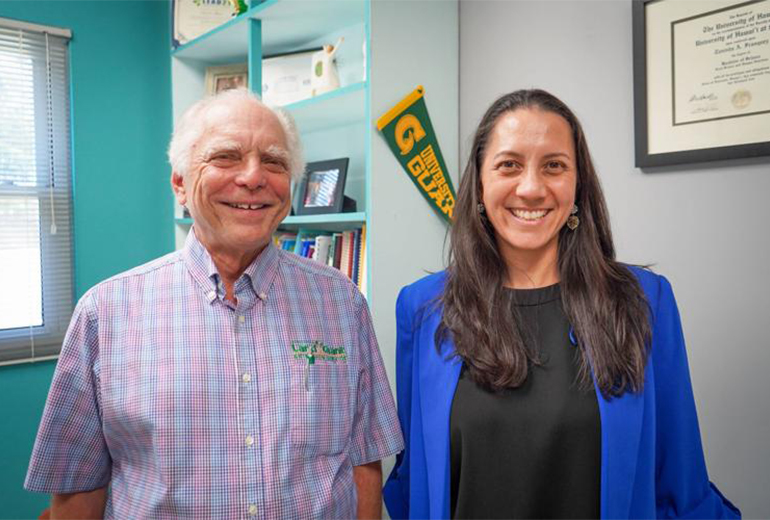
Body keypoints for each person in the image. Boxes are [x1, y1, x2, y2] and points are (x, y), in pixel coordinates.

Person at [25, 88, 403, 519]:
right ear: (180, 184)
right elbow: (77, 486)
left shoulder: (341, 302)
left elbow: (364, 461)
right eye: (226, 157)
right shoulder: (105, 313)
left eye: (274, 162)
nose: (253, 177)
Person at [382, 89, 739, 519]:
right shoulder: (422, 309)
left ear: (578, 184)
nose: (531, 188)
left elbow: (681, 482)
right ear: (479, 183)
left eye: (554, 165)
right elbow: (414, 481)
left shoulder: (645, 301)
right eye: (509, 165)